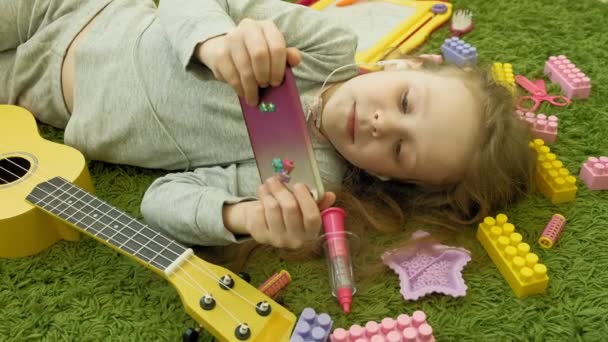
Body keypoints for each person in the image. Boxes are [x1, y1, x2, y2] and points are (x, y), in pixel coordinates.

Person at [1, 0, 536, 252]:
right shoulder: (325, 45)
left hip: (38, 94)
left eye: (400, 150)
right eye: (404, 101)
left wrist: (241, 215)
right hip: (72, 9)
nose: (380, 123)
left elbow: (160, 202)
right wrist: (215, 41)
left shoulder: (304, 177)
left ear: (396, 180)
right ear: (405, 66)